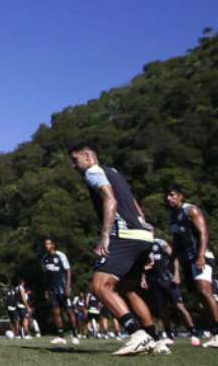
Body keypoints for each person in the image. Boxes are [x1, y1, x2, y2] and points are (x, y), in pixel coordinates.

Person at [68, 145, 165, 356]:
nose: (73, 166)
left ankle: (137, 334)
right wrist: (146, 240)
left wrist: (105, 236)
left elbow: (110, 200)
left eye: (75, 160)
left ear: (88, 156)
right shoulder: (114, 172)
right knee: (128, 289)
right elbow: (135, 205)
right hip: (143, 234)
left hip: (124, 235)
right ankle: (157, 340)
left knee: (99, 286)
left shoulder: (93, 172)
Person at [166, 187, 218, 349]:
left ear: (181, 196)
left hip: (202, 256)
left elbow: (203, 233)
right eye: (167, 195)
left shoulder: (191, 210)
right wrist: (172, 261)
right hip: (188, 260)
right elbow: (177, 242)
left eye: (172, 195)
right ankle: (215, 333)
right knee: (200, 298)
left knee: (206, 292)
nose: (169, 198)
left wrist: (200, 255)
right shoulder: (173, 217)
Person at [141, 237, 200, 346]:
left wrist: (176, 273)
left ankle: (193, 333)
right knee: (163, 310)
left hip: (168, 279)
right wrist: (143, 278)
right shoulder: (143, 246)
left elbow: (174, 257)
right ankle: (169, 336)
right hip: (154, 281)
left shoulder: (160, 242)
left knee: (180, 306)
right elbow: (143, 264)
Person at [41, 238, 79, 345]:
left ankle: (75, 334)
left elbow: (68, 271)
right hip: (52, 290)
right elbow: (46, 276)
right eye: (45, 244)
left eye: (48, 243)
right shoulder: (44, 259)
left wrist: (67, 287)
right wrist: (46, 290)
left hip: (62, 289)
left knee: (69, 311)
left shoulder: (60, 255)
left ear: (53, 245)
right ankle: (61, 336)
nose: (46, 246)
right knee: (56, 312)